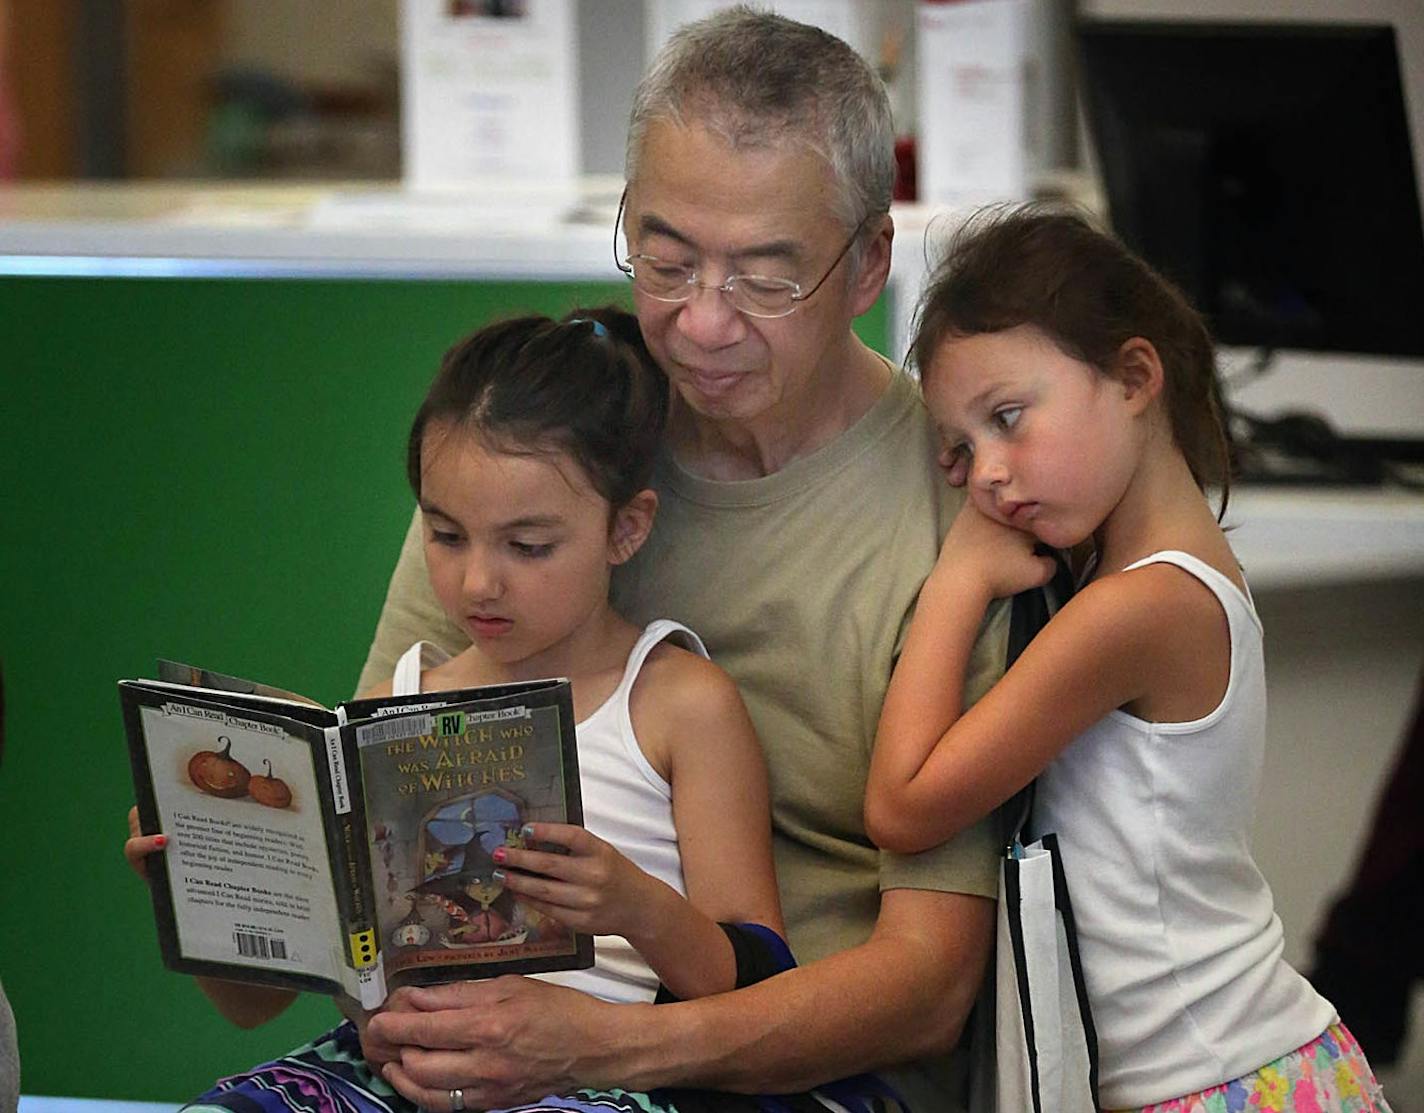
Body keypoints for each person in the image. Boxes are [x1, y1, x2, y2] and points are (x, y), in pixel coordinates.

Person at [352, 8, 1008, 1112]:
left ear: (867, 266)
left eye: (762, 277)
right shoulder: (543, 450)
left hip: (808, 1071)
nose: (700, 325)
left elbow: (929, 987)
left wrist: (597, 1049)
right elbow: (372, 847)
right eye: (664, 261)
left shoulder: (953, 506)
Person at [126, 307, 788, 1111]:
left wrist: (634, 902)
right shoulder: (386, 712)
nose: (479, 582)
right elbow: (254, 1005)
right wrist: (202, 877)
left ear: (626, 528)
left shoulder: (678, 700)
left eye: (528, 545)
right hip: (396, 1075)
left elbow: (757, 975)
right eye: (445, 535)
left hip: (599, 1079)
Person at [864, 206, 1394, 1112]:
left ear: (1135, 376)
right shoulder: (1137, 577)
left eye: (1008, 417)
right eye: (961, 452)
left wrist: (956, 578)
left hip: (1225, 1081)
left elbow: (903, 803)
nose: (986, 473)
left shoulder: (1139, 609)